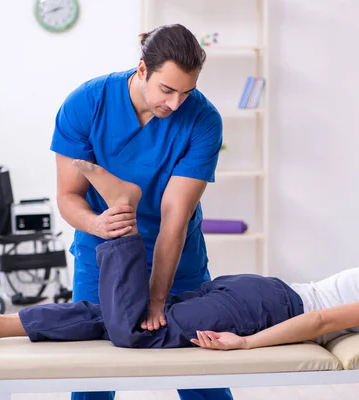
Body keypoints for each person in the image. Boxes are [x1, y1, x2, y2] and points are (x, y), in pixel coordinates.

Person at [0, 161, 359, 353]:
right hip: (266, 307)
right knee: (140, 333)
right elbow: (320, 320)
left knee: (123, 317)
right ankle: (123, 216)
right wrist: (247, 343)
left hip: (259, 290)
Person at [51, 23, 231, 400]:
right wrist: (96, 224)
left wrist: (157, 299)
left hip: (178, 263)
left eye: (188, 92)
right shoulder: (87, 104)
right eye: (167, 90)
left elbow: (175, 218)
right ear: (142, 70)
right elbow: (69, 196)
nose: (176, 104)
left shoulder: (203, 120)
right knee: (92, 376)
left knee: (202, 375)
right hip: (103, 257)